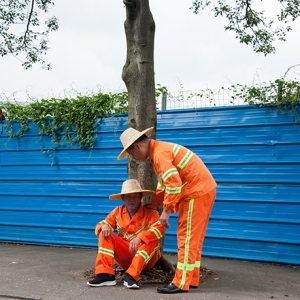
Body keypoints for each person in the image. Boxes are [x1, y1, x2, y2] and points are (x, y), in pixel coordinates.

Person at [117, 127, 217, 294]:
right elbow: (164, 184)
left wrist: (166, 210)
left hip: (195, 192)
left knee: (186, 238)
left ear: (137, 147)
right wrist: (155, 204)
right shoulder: (159, 151)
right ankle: (190, 278)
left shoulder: (159, 155)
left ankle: (180, 282)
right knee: (194, 239)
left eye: (132, 155)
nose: (134, 159)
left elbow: (174, 184)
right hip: (201, 191)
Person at [87, 179, 165, 289]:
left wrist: (140, 238)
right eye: (128, 197)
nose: (131, 200)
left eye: (135, 196)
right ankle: (105, 274)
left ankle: (131, 276)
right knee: (104, 233)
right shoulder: (117, 211)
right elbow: (101, 225)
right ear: (123, 198)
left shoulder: (151, 212)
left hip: (145, 259)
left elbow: (160, 228)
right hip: (125, 255)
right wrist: (103, 226)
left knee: (152, 239)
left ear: (140, 198)